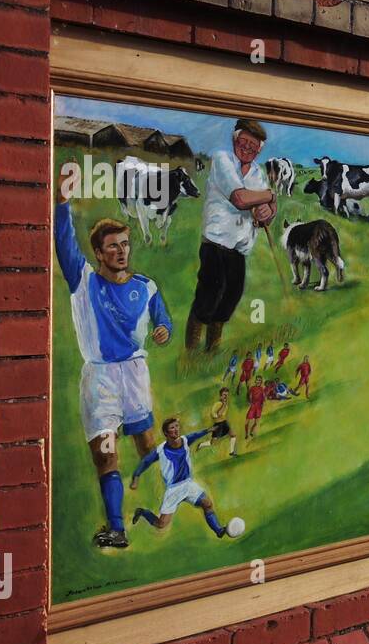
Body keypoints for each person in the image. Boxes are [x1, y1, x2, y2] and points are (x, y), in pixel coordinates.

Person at [54, 184, 172, 550]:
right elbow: (63, 243)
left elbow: (161, 315)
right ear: (99, 254)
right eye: (113, 247)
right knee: (106, 454)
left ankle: (175, 495)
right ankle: (117, 528)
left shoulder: (145, 286)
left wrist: (163, 327)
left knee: (146, 443)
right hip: (100, 379)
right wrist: (62, 203)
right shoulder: (83, 281)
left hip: (135, 375)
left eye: (125, 244)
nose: (121, 252)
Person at [185, 118, 277, 352]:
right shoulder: (222, 159)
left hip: (239, 248)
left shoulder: (257, 173)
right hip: (216, 243)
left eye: (253, 146)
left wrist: (269, 211)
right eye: (243, 142)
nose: (247, 148)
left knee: (230, 299)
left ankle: (212, 350)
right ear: (235, 139)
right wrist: (269, 196)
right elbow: (240, 198)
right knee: (208, 297)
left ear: (259, 149)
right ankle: (191, 352)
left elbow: (264, 213)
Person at [129, 417, 231, 538]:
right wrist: (136, 476)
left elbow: (196, 434)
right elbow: (145, 462)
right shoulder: (160, 450)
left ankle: (218, 530)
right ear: (166, 433)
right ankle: (142, 512)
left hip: (188, 484)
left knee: (207, 504)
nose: (176, 429)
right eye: (172, 428)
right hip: (174, 489)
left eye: (177, 426)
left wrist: (209, 430)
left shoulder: (185, 440)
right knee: (161, 524)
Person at [196, 386, 237, 457]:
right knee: (213, 443)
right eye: (224, 395)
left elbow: (223, 415)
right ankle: (201, 445)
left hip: (224, 423)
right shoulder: (218, 404)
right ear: (220, 395)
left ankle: (232, 452)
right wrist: (223, 405)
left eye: (227, 395)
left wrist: (224, 406)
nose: (226, 397)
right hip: (218, 425)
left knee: (233, 435)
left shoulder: (225, 405)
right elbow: (217, 415)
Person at [245, 375, 267, 439]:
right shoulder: (252, 388)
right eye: (257, 380)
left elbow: (264, 398)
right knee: (247, 421)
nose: (258, 381)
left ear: (261, 382)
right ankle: (246, 434)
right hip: (253, 406)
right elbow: (248, 395)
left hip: (259, 407)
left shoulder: (262, 389)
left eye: (259, 380)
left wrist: (263, 403)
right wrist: (249, 401)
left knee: (256, 422)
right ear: (255, 381)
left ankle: (251, 431)